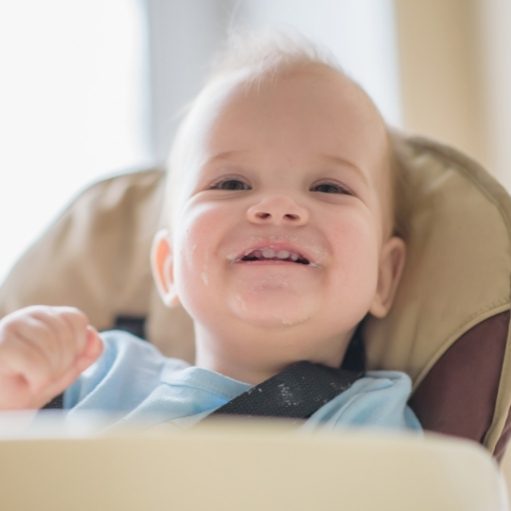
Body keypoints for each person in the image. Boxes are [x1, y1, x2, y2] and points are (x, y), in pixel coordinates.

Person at [0, 33, 421, 432]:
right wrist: (15, 389)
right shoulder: (93, 375)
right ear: (167, 267)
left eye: (329, 188)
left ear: (383, 276)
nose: (276, 206)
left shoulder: (367, 418)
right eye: (231, 184)